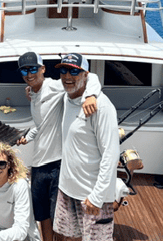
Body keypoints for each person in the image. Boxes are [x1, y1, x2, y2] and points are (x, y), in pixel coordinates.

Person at [16, 52, 101, 241]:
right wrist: (27, 137)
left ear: (43, 69)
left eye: (33, 69)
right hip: (38, 165)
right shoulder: (33, 93)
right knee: (43, 215)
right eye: (24, 70)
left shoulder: (55, 86)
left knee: (60, 218)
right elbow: (42, 125)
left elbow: (91, 76)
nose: (29, 74)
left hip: (58, 164)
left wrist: (92, 96)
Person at [53, 53, 120, 241]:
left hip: (91, 195)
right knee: (69, 237)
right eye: (64, 70)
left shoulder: (102, 107)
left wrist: (97, 197)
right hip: (67, 189)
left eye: (74, 71)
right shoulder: (67, 97)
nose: (67, 76)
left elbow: (111, 154)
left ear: (85, 75)